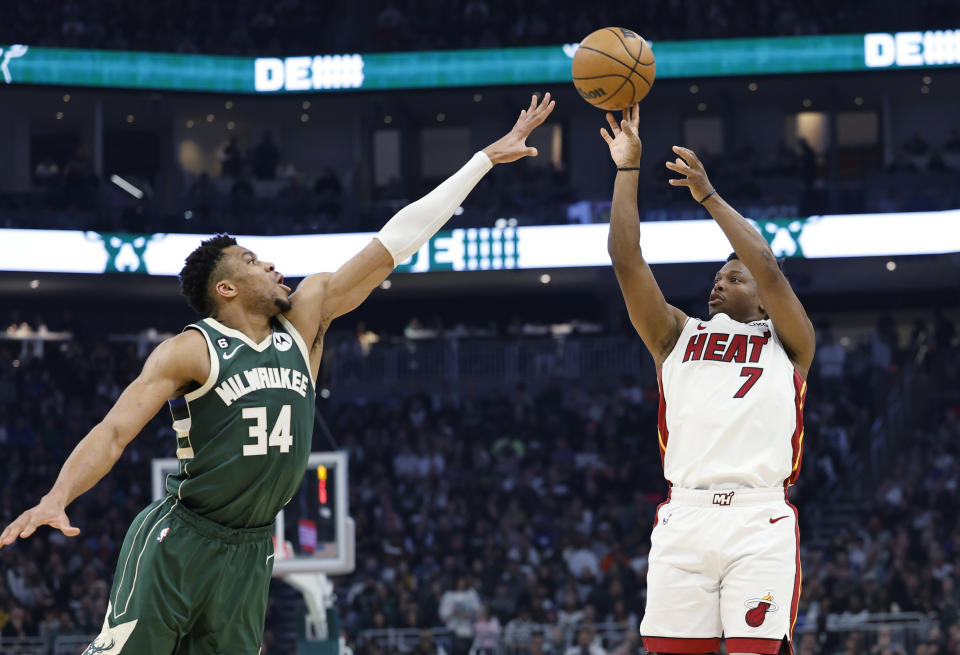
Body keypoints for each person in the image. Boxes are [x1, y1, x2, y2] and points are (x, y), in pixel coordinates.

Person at [0, 92, 555, 655]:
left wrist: (483, 159)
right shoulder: (191, 350)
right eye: (250, 260)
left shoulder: (308, 314)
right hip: (181, 538)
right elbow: (114, 431)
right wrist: (57, 495)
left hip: (252, 548)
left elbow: (394, 242)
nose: (268, 262)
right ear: (226, 289)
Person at [602, 104, 815, 655]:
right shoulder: (676, 332)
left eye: (734, 278)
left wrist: (707, 197)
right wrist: (628, 171)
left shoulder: (790, 341)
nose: (720, 284)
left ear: (764, 297)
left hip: (758, 517)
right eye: (718, 277)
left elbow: (766, 263)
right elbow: (626, 260)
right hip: (686, 515)